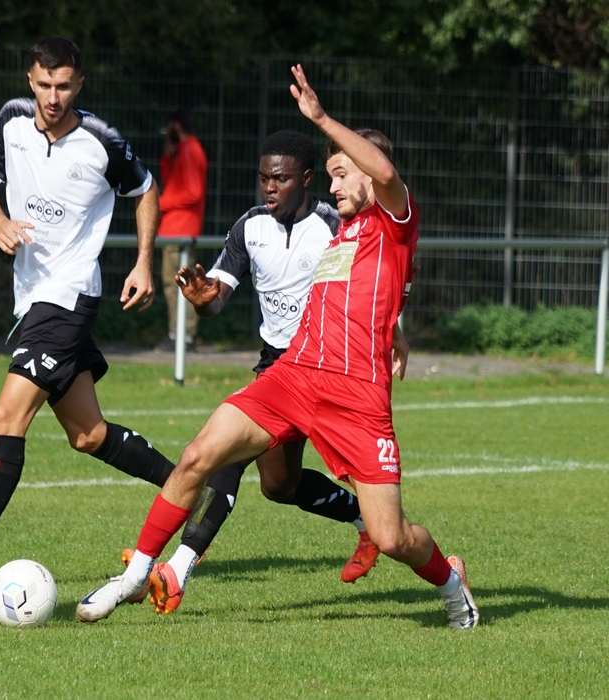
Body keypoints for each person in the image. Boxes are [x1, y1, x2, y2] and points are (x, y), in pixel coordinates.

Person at [76, 64, 480, 629]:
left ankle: (451, 581)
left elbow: (386, 176)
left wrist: (321, 119)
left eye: (342, 175)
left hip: (357, 397)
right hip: (293, 376)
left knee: (391, 537)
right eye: (331, 176)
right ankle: (136, 576)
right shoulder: (339, 233)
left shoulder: (394, 224)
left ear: (368, 174)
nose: (333, 187)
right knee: (198, 457)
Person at [0, 37, 176, 585]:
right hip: (32, 296)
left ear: (79, 84)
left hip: (69, 295)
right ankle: (189, 489)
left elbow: (146, 191)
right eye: (43, 85)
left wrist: (143, 262)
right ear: (29, 81)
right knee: (88, 434)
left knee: (7, 416)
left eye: (63, 86)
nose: (53, 97)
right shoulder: (10, 119)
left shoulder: (101, 139)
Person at [127, 129, 392, 615]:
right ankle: (365, 522)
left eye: (281, 179)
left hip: (328, 369)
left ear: (306, 179)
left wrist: (394, 331)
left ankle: (175, 570)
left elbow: (379, 277)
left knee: (226, 458)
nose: (269, 187)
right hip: (277, 366)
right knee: (279, 486)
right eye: (264, 178)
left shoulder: (335, 224)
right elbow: (217, 297)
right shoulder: (249, 227)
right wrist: (203, 300)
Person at [157, 108, 208, 350]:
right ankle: (178, 334)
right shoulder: (186, 151)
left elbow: (193, 192)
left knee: (179, 286)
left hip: (179, 230)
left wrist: (161, 204)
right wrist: (167, 158)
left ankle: (183, 336)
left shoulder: (190, 150)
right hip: (174, 230)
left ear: (176, 126)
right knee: (173, 285)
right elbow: (173, 184)